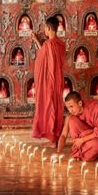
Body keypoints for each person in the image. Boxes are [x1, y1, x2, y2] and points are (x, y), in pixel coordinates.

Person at [31, 16, 66, 146]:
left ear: (49, 28)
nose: (44, 30)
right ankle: (55, 138)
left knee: (50, 106)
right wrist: (36, 41)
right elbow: (46, 55)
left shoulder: (49, 44)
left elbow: (46, 58)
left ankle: (52, 140)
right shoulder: (60, 44)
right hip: (58, 80)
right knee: (56, 106)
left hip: (49, 81)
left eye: (45, 27)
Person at [57, 91, 98, 161]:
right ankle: (79, 149)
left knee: (97, 145)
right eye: (68, 108)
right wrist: (58, 152)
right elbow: (63, 134)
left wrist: (82, 140)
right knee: (71, 120)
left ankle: (80, 151)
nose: (70, 110)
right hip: (87, 136)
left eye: (72, 106)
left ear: (80, 103)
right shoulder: (71, 114)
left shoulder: (95, 107)